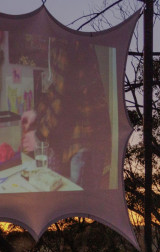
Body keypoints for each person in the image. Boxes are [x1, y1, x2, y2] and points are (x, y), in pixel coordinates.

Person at [21, 38, 111, 189]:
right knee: (81, 194)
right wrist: (36, 112)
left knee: (80, 197)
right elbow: (56, 87)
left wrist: (39, 136)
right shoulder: (69, 38)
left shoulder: (63, 40)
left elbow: (61, 96)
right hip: (88, 135)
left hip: (85, 136)